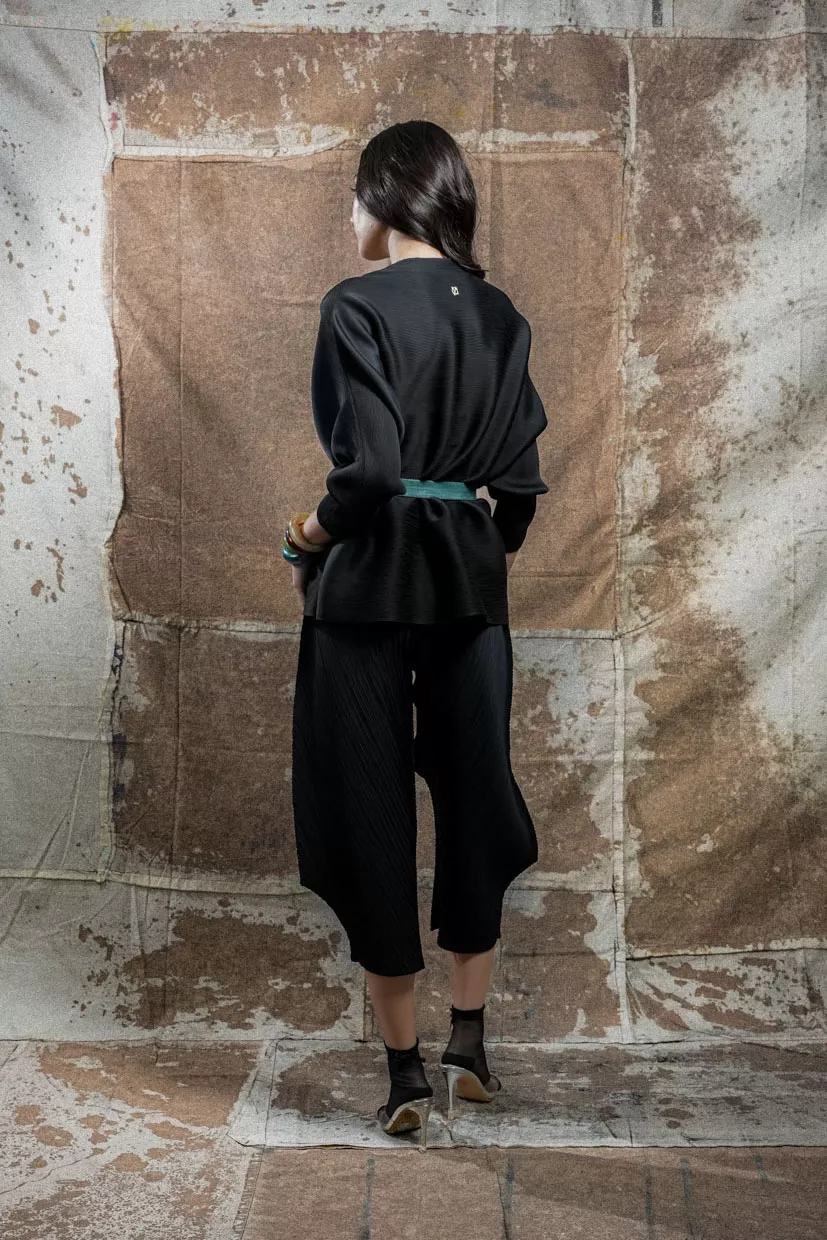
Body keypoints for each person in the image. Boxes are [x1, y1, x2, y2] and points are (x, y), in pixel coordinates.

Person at [283, 120, 549, 1149]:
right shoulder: (502, 316)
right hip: (468, 586)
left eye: (355, 196)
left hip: (364, 586)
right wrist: (476, 541)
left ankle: (402, 1075)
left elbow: (368, 476)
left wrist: (303, 534)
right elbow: (516, 489)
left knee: (367, 806)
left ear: (387, 197)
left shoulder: (353, 305)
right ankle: (468, 1046)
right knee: (476, 795)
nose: (349, 215)